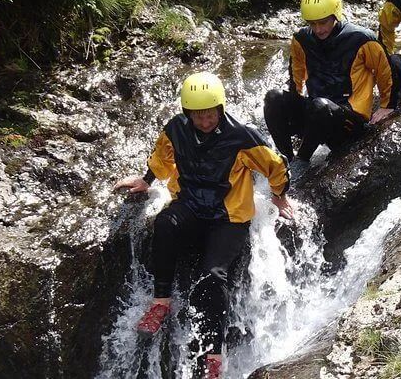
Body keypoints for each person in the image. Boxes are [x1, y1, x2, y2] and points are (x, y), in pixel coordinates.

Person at [113, 72, 293, 379]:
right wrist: (145, 180)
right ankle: (161, 301)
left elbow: (275, 165)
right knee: (166, 223)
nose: (205, 120)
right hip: (192, 206)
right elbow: (161, 157)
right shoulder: (176, 130)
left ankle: (213, 356)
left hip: (229, 218)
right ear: (187, 113)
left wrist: (279, 195)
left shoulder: (242, 136)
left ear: (220, 109)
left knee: (212, 276)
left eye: (210, 113)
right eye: (198, 114)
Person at [264, 0, 394, 180]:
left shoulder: (362, 39)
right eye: (312, 23)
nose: (318, 29)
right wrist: (292, 106)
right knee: (273, 97)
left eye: (323, 22)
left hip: (348, 121)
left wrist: (387, 105)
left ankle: (301, 162)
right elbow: (296, 76)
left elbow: (385, 71)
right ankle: (287, 158)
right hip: (316, 115)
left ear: (335, 14)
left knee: (320, 106)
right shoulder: (301, 38)